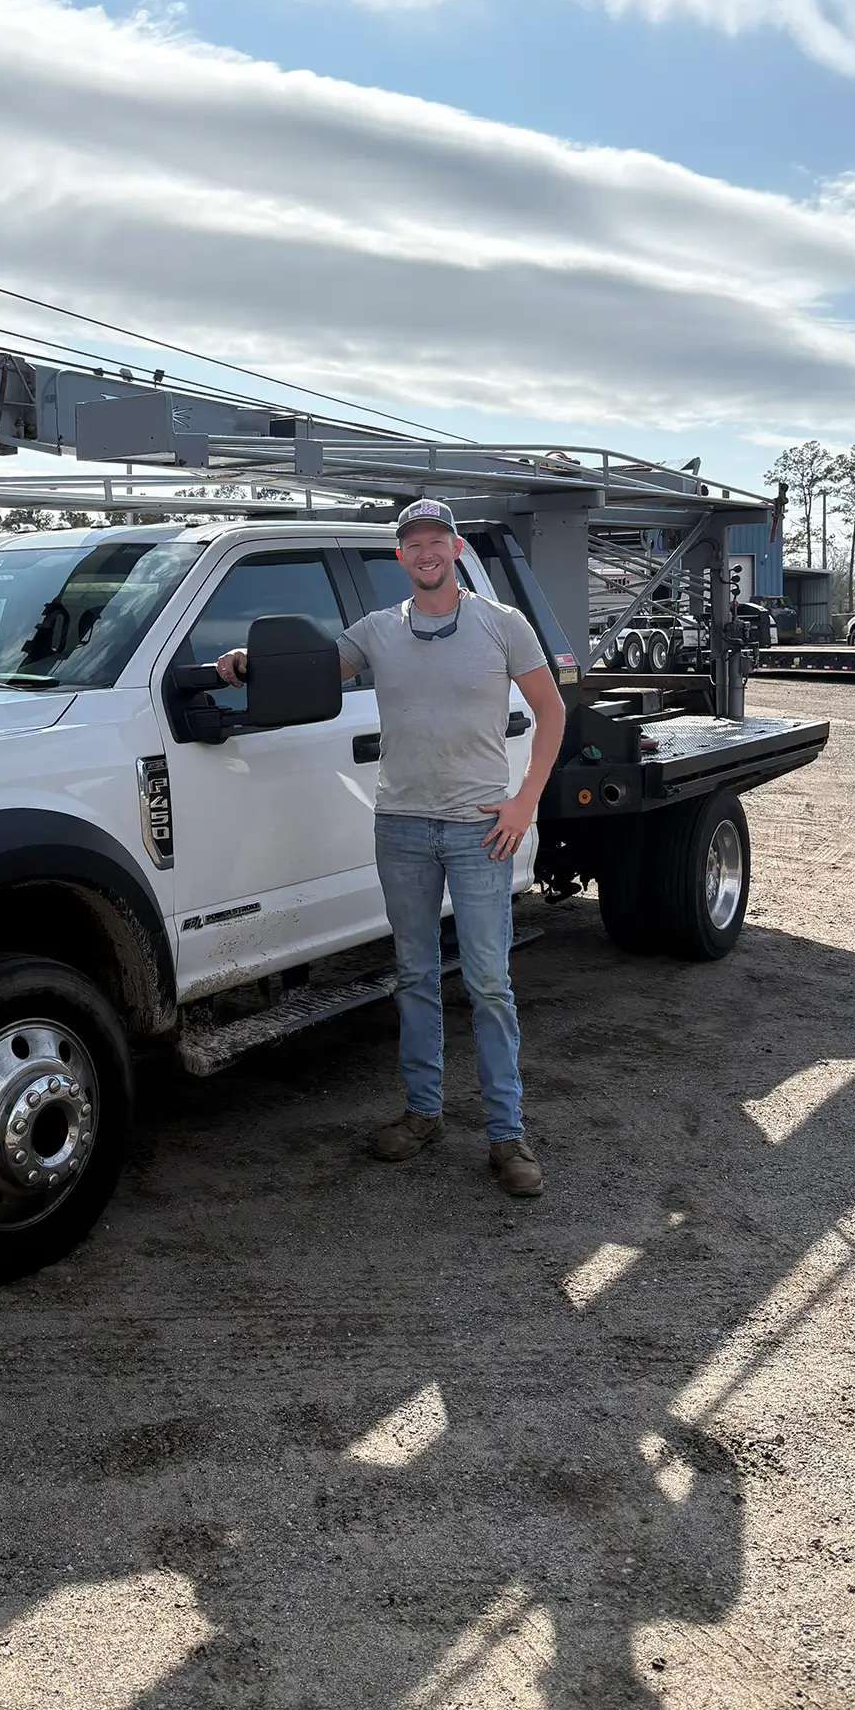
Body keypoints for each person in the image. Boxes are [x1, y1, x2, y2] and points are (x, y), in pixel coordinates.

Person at [217, 498, 565, 1197]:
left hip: (478, 828)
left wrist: (525, 801)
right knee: (412, 976)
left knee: (489, 983)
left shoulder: (503, 625)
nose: (427, 551)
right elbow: (313, 669)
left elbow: (552, 710)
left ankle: (507, 1135)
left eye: (438, 539)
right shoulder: (377, 632)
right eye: (414, 543)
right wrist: (247, 662)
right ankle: (423, 1112)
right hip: (401, 826)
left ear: (457, 548)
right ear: (399, 557)